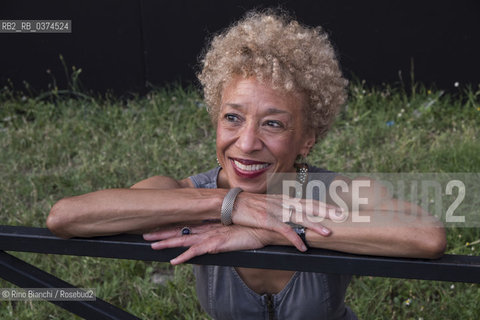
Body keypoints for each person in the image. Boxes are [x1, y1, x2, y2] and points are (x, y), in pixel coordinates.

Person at [47, 10, 446, 319]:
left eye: (273, 123)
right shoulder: (188, 193)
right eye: (233, 118)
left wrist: (274, 230)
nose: (247, 142)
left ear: (307, 138)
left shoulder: (332, 192)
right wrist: (228, 205)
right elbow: (67, 217)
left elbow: (426, 236)